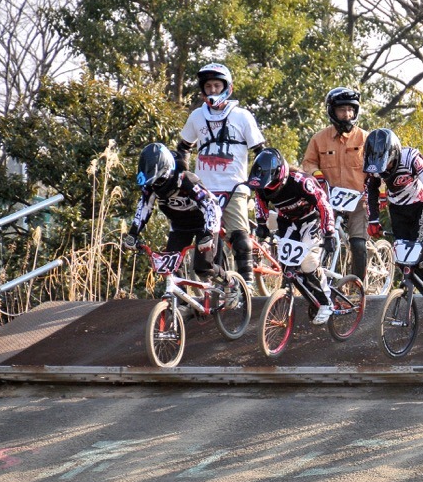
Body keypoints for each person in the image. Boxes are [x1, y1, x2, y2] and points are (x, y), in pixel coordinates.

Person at [175, 63, 265, 287]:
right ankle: (220, 287)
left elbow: (260, 152)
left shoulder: (243, 116)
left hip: (234, 186)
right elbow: (183, 147)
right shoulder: (196, 116)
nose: (213, 90)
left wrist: (255, 183)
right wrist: (183, 174)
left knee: (239, 238)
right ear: (203, 90)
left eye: (217, 85)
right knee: (209, 239)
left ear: (228, 88)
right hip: (204, 189)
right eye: (208, 86)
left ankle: (247, 285)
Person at [363, 128, 423, 315]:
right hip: (397, 209)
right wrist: (372, 219)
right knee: (404, 261)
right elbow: (371, 189)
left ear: (394, 153)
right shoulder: (373, 164)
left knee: (422, 256)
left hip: (422, 205)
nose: (385, 170)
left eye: (387, 164)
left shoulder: (411, 158)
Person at [248, 148, 337, 325]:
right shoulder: (261, 187)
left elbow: (324, 205)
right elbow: (260, 204)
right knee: (289, 268)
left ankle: (326, 302)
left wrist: (329, 232)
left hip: (311, 220)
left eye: (271, 184)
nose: (268, 190)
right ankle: (308, 295)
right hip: (287, 222)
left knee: (308, 264)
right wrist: (261, 224)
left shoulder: (302, 182)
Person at [123, 143, 222, 287]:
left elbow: (211, 205)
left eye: (158, 181)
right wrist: (133, 234)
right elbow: (144, 208)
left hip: (204, 224)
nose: (155, 186)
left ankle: (231, 284)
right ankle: (182, 307)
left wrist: (209, 232)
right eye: (152, 183)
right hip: (179, 226)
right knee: (169, 269)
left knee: (203, 269)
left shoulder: (186, 179)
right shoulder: (150, 186)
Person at [302, 87, 369, 281]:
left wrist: (376, 194)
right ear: (332, 111)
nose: (347, 114)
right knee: (321, 241)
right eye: (342, 110)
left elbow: (376, 169)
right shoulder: (319, 138)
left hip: (358, 201)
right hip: (328, 201)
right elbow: (308, 163)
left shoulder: (366, 138)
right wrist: (317, 174)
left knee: (357, 245)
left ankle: (359, 287)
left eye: (350, 109)